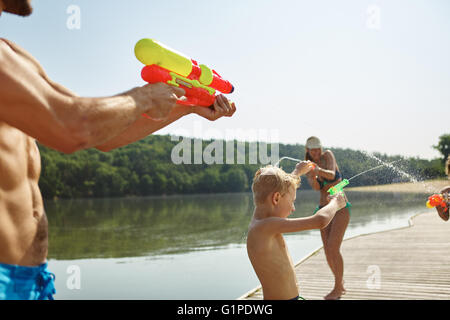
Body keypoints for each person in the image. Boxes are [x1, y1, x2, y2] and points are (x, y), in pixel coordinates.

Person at [0, 0, 236, 300]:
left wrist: (188, 105)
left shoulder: (13, 55)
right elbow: (73, 128)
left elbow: (103, 135)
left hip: (32, 279)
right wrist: (143, 98)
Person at [247, 164, 347, 300]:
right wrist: (335, 203)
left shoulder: (262, 217)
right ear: (276, 198)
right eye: (292, 202)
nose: (293, 208)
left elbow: (278, 189)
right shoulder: (266, 226)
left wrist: (297, 172)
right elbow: (320, 220)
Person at [302, 136, 351, 300]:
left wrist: (319, 171)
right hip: (323, 207)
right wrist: (313, 176)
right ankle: (340, 282)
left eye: (317, 148)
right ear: (307, 150)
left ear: (321, 148)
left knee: (333, 247)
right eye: (312, 150)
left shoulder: (328, 155)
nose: (315, 152)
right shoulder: (308, 166)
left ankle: (337, 288)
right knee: (327, 250)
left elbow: (331, 175)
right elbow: (317, 187)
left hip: (340, 206)